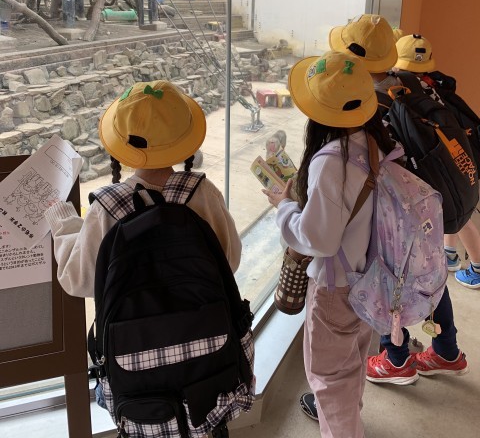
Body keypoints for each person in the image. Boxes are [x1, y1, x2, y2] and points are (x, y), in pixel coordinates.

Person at [263, 49, 395, 438]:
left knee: (328, 382)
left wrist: (284, 207)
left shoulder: (330, 160)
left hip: (336, 288)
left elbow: (318, 239)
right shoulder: (374, 143)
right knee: (349, 371)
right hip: (369, 280)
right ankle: (350, 422)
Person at [328, 19, 469, 384]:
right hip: (429, 199)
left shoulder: (366, 101)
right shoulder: (407, 82)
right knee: (430, 271)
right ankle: (446, 350)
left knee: (388, 275)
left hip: (397, 208)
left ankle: (396, 358)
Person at [45, 80, 242, 299]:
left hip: (134, 322)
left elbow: (77, 280)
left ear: (120, 146)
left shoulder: (106, 208)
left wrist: (65, 222)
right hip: (206, 318)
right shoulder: (205, 193)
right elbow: (230, 261)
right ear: (184, 140)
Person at [395, 33, 480, 289]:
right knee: (450, 206)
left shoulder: (405, 89)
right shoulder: (435, 84)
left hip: (440, 162)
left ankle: (478, 267)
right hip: (457, 156)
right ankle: (450, 254)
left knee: (459, 215)